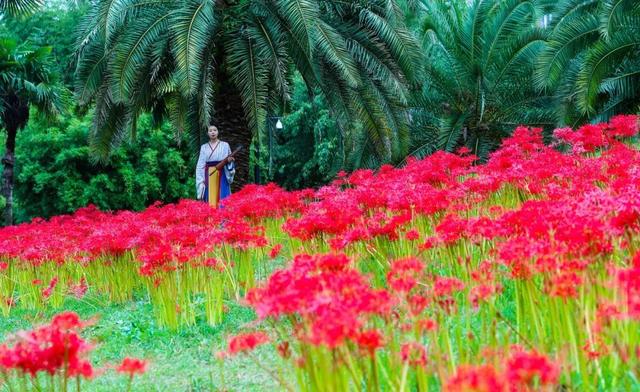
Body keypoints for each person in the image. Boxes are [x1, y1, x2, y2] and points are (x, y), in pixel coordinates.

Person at [195, 125, 236, 208]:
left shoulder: (225, 145)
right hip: (209, 175)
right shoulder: (204, 147)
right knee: (210, 199)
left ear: (218, 132)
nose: (213, 132)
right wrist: (201, 181)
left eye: (215, 130)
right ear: (207, 133)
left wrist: (229, 161)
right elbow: (200, 165)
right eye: (210, 131)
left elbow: (230, 161)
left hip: (222, 174)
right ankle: (211, 220)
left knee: (223, 197)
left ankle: (223, 220)